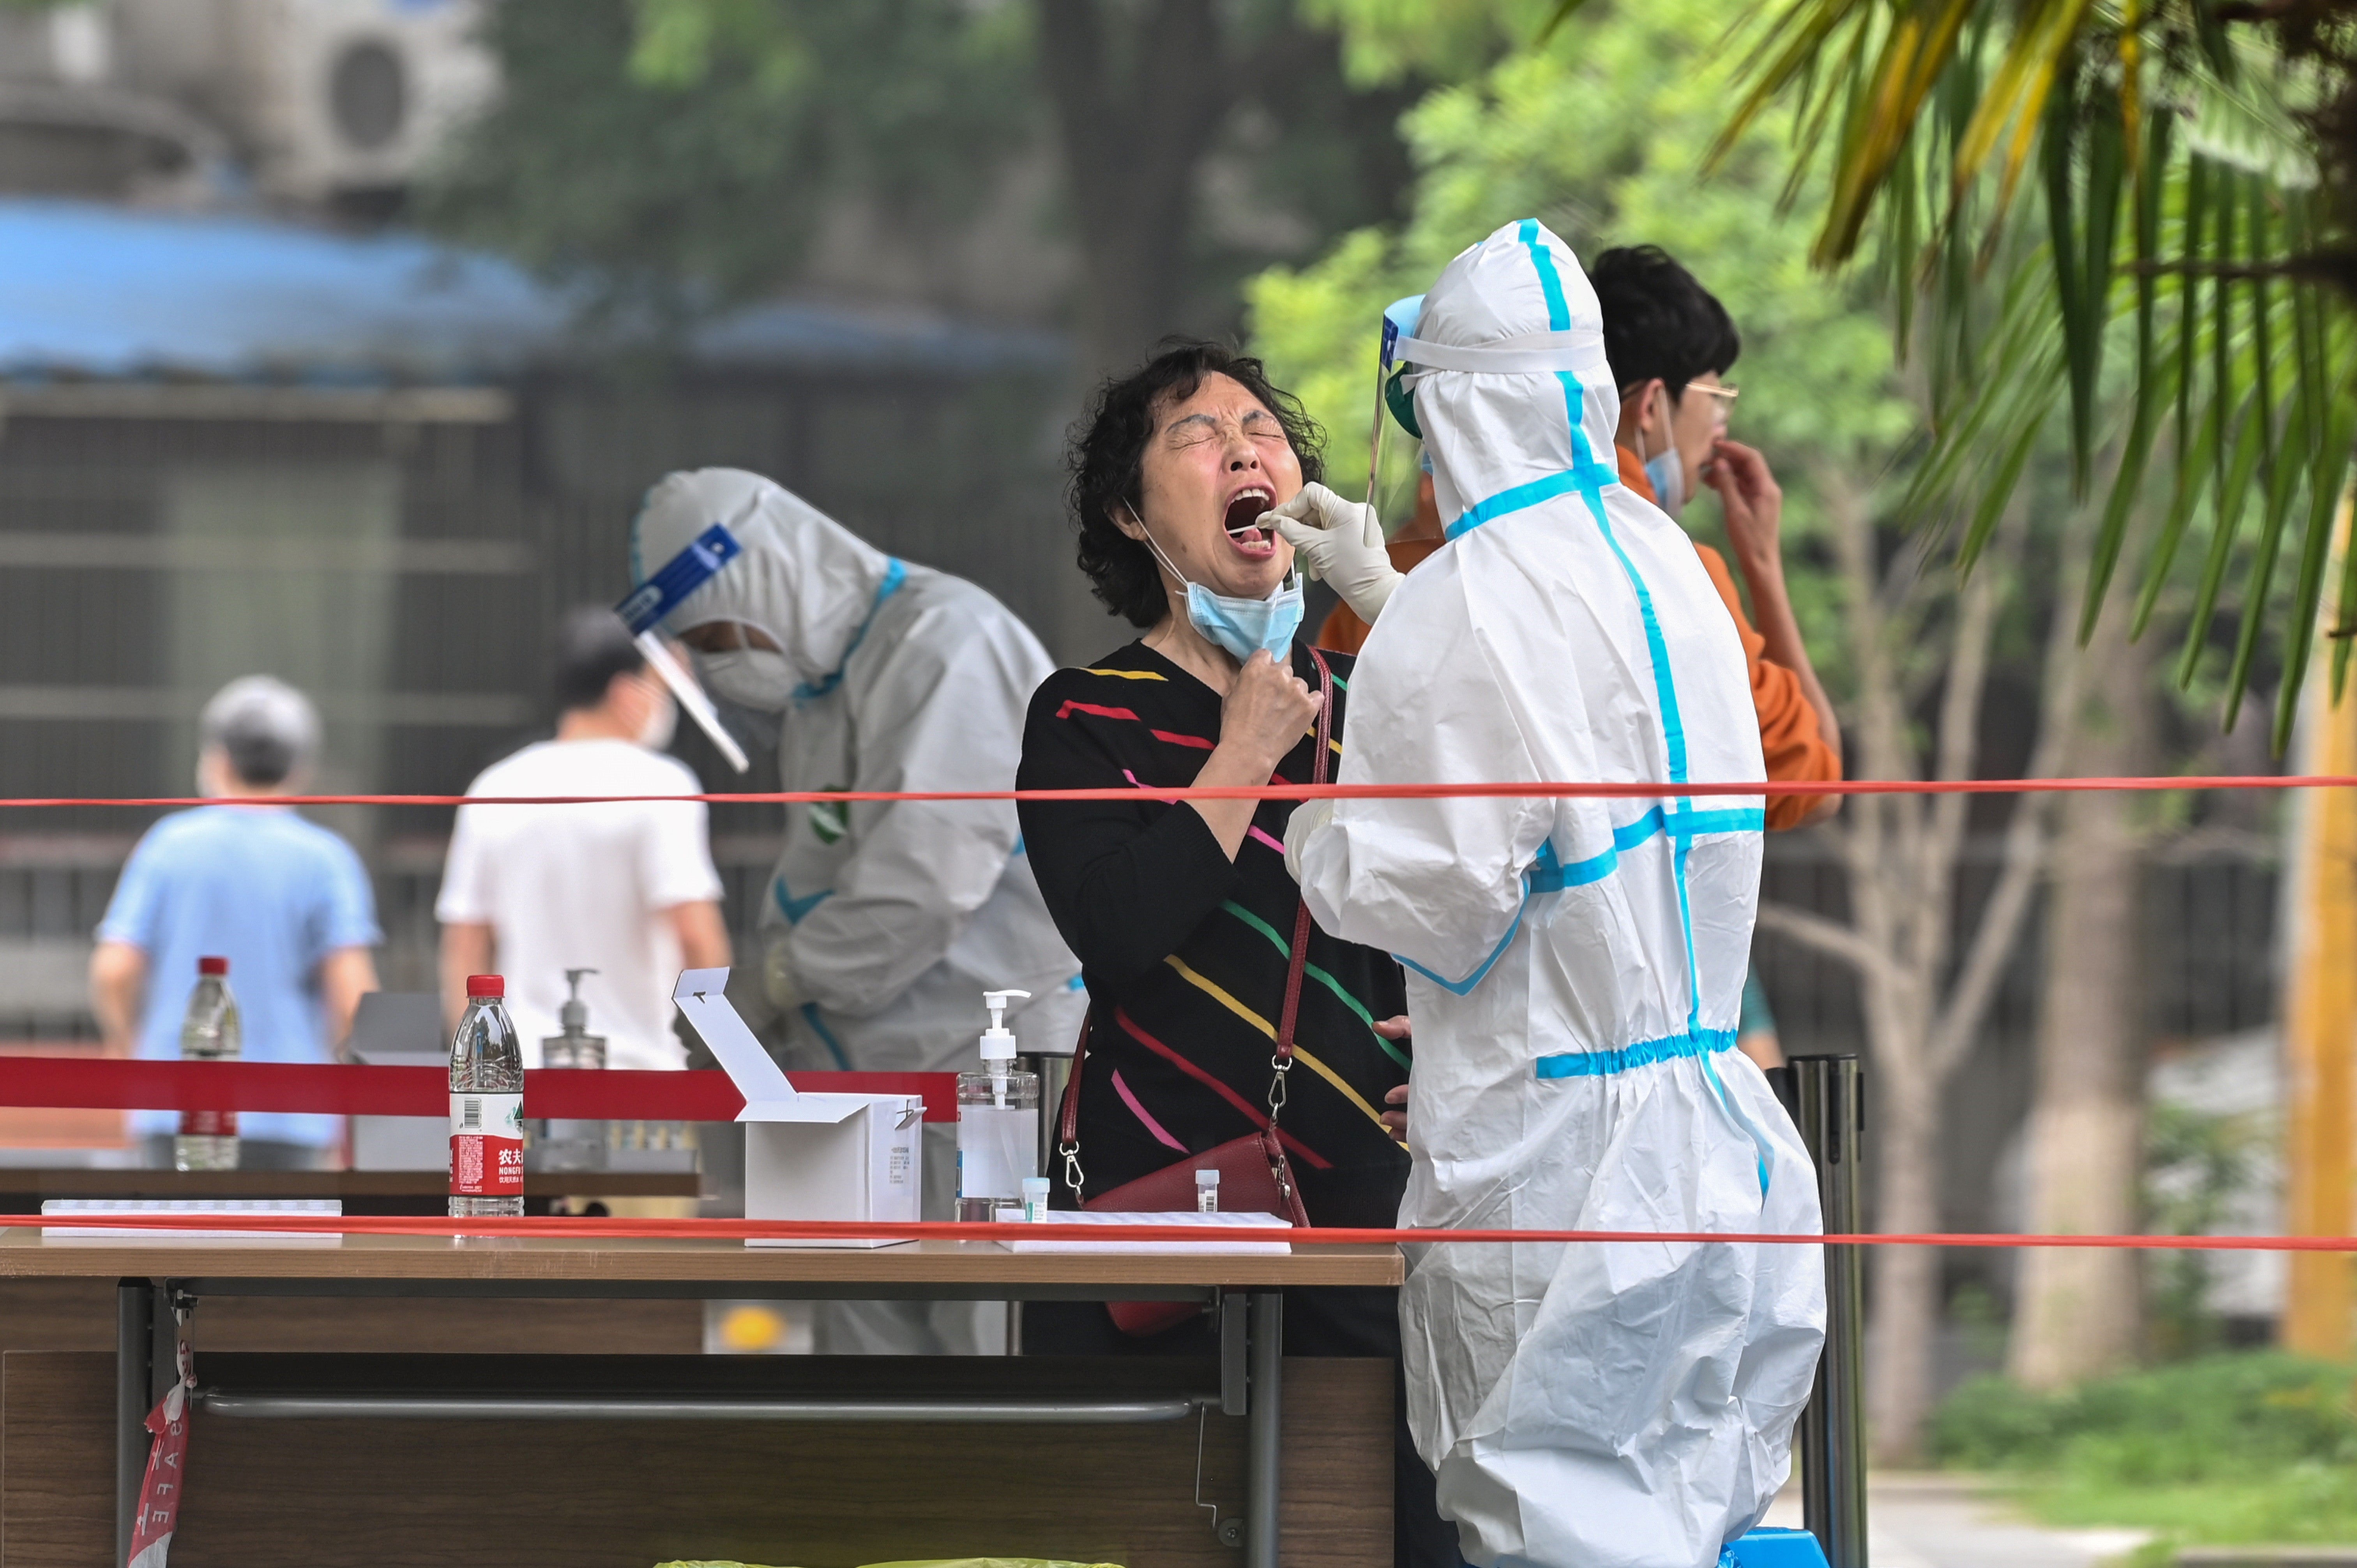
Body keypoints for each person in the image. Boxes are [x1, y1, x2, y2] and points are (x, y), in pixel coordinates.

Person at [1284, 221, 1825, 1568]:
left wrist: (1308, 832)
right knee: (1684, 1523)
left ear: (1450, 408)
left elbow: (1437, 896)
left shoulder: (1465, 600)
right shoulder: (1665, 564)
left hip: (1555, 1178)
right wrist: (1388, 595)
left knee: (1550, 1537)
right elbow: (1579, 780)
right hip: (1713, 1147)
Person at [1012, 340, 1450, 1568]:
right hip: (1151, 1211)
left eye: (1262, 428)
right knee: (1150, 1527)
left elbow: (1492, 897)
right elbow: (1119, 935)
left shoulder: (1380, 705)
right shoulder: (1082, 716)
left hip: (1362, 1208)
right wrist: (1244, 755)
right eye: (1198, 435)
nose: (1245, 448)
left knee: (1375, 1528)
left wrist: (1471, 1049)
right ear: (1129, 513)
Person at [627, 468, 1085, 1356]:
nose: (723, 659)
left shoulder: (948, 642)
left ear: (772, 575)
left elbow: (922, 879)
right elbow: (827, 868)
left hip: (983, 1081)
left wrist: (781, 978)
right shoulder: (821, 687)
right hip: (856, 1088)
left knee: (985, 1364)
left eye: (722, 633)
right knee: (867, 1380)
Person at [91, 676, 380, 1169]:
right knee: (280, 1245)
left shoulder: (167, 845)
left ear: (217, 759)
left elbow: (113, 969)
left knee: (178, 1243)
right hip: (291, 1113)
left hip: (175, 1105)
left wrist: (129, 1047)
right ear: (301, 768)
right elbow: (353, 999)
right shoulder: (327, 860)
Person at [436, 607, 731, 1067]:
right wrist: (711, 1055)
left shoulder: (496, 786)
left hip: (523, 1076)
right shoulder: (662, 784)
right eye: (661, 683)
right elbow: (696, 934)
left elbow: (465, 945)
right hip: (639, 1073)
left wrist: (476, 1072)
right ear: (625, 692)